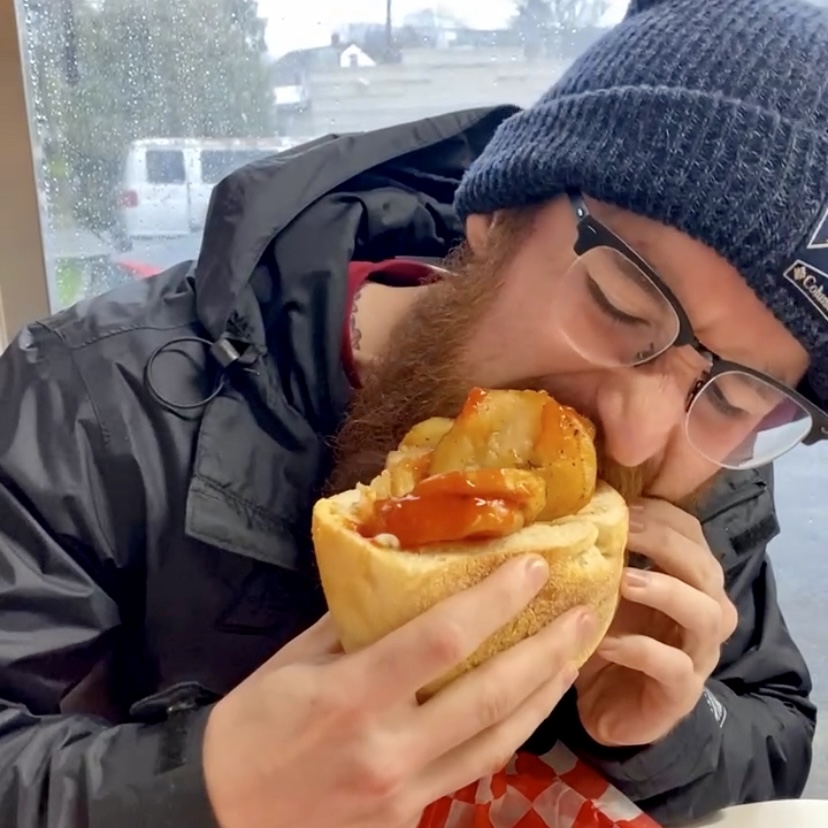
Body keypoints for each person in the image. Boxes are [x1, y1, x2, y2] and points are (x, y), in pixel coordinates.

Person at [0, 0, 823, 824]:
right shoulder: (89, 406)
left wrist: (670, 735)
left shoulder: (697, 458)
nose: (638, 432)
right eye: (619, 306)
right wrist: (204, 786)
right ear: (497, 217)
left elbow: (774, 730)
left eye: (739, 395)